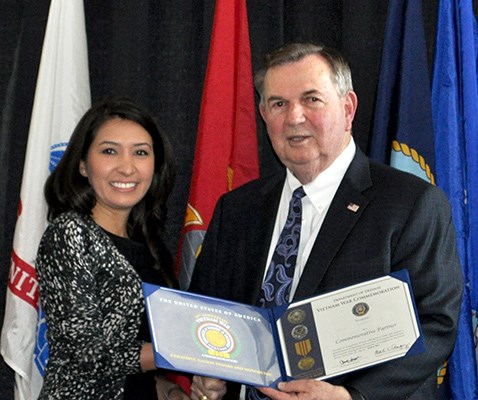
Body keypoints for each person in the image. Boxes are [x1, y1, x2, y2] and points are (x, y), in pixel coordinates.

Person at [188, 43, 463, 400]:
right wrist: (207, 369)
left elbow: (435, 323)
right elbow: (208, 311)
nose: (294, 117)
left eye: (311, 99)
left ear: (347, 108)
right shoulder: (237, 209)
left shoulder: (411, 204)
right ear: (263, 114)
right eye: (278, 104)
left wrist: (351, 396)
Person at [36, 98, 189, 399]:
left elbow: (130, 362)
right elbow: (88, 355)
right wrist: (189, 351)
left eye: (141, 153)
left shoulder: (149, 248)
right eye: (109, 151)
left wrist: (167, 389)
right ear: (82, 164)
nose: (127, 167)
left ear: (155, 165)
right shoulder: (69, 232)